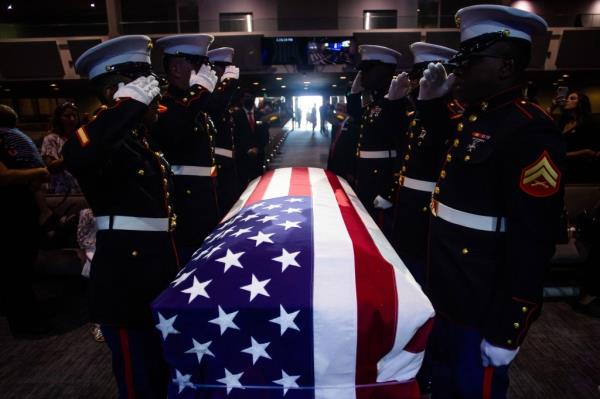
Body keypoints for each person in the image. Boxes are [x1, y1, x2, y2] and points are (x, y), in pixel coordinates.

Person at [423, 6, 565, 398]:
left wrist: (509, 328)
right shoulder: (474, 120)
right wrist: (430, 103)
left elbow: (533, 239)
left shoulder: (528, 129)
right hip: (448, 292)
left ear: (505, 67)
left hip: (483, 307)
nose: (459, 71)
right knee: (443, 385)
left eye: (469, 61)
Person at [63, 35, 179, 398]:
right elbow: (77, 155)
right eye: (142, 86)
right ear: (116, 91)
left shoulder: (138, 139)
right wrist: (127, 104)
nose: (153, 95)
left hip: (157, 267)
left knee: (162, 369)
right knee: (138, 377)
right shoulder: (94, 137)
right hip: (126, 279)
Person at [151, 34, 220, 263]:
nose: (205, 71)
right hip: (185, 210)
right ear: (176, 69)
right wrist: (198, 93)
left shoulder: (195, 107)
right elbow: (173, 129)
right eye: (198, 64)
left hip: (205, 204)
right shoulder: (164, 107)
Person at [0, 104, 51, 338]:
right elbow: (5, 177)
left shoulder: (8, 141)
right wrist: (39, 172)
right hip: (7, 216)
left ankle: (28, 317)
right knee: (14, 273)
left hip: (21, 210)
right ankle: (24, 325)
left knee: (22, 270)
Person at [348, 44, 411, 231]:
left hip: (380, 181)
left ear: (385, 71)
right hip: (367, 178)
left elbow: (403, 150)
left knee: (380, 233)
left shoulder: (397, 103)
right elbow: (356, 122)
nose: (363, 76)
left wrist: (389, 192)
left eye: (368, 71)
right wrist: (354, 95)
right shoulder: (376, 102)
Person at [207, 47, 242, 217]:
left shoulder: (221, 97)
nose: (228, 74)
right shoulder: (208, 95)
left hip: (227, 164)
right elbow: (214, 108)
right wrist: (227, 86)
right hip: (216, 165)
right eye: (224, 69)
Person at [550, 90, 600, 182]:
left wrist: (563, 155)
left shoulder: (589, 123)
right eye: (567, 98)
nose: (567, 100)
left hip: (581, 168)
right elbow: (544, 125)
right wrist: (553, 107)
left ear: (581, 103)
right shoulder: (564, 121)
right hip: (563, 166)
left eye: (572, 98)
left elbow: (591, 150)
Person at [40, 101, 82, 195]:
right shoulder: (51, 138)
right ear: (59, 119)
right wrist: (73, 155)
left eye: (75, 116)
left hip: (83, 188)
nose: (72, 119)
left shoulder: (82, 135)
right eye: (67, 116)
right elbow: (51, 167)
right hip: (62, 190)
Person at [232, 89, 269, 185]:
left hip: (258, 155)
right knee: (242, 183)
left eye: (250, 97)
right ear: (241, 100)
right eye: (245, 97)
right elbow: (236, 136)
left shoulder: (261, 115)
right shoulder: (235, 116)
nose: (248, 99)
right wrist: (247, 149)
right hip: (243, 155)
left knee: (258, 183)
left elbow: (265, 135)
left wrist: (258, 148)